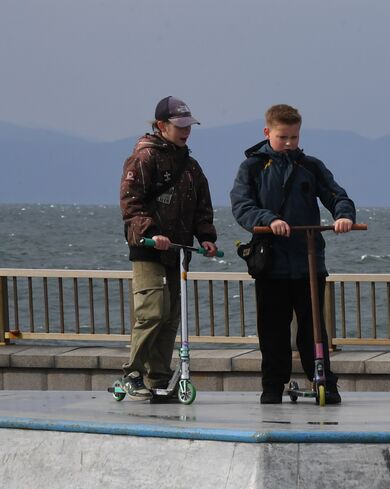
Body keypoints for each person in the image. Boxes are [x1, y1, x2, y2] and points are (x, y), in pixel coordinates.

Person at [230, 103, 356, 405]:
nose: (289, 144)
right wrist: (268, 220)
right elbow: (241, 205)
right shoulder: (252, 167)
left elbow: (336, 194)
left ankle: (323, 379)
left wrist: (344, 215)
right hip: (270, 263)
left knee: (314, 329)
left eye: (294, 138)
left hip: (308, 262)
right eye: (282, 137)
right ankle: (272, 385)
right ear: (267, 132)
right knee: (272, 330)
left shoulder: (310, 165)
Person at [117, 96, 217, 402]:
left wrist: (206, 237)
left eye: (189, 125)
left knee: (172, 314)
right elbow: (130, 203)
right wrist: (152, 232)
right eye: (180, 125)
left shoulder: (191, 165)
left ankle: (158, 374)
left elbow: (202, 206)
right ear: (162, 126)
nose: (186, 131)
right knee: (152, 311)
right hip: (148, 248)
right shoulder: (143, 158)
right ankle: (132, 372)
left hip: (178, 250)